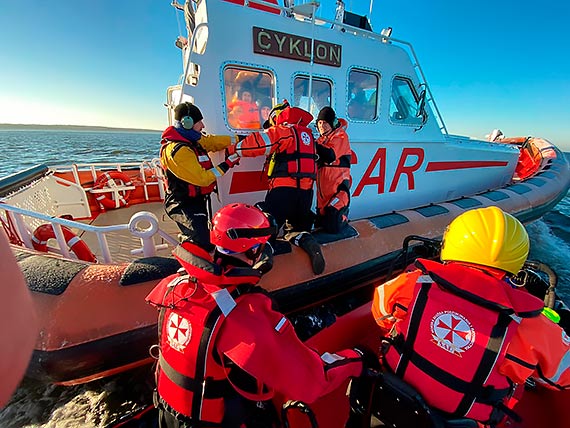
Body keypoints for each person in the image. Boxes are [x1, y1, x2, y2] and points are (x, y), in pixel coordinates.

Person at [146, 203, 367, 427]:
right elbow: (311, 380)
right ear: (253, 251)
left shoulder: (174, 284)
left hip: (168, 412)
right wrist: (356, 358)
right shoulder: (243, 314)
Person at [371, 206, 569, 425]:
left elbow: (381, 314)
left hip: (392, 405)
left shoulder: (412, 283)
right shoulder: (531, 326)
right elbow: (563, 379)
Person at [227, 100, 325, 275]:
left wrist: (234, 148)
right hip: (305, 195)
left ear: (276, 117)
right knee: (296, 229)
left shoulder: (284, 130)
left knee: (267, 221)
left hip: (283, 192)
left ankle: (265, 256)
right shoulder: (308, 135)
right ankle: (310, 244)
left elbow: (258, 143)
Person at [160, 102, 240, 251]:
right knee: (201, 242)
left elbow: (211, 142)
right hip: (182, 203)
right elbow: (202, 179)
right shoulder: (178, 151)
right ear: (187, 123)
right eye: (199, 122)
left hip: (196, 200)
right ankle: (187, 255)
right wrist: (227, 163)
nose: (202, 126)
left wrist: (238, 139)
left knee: (206, 236)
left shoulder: (193, 140)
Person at [315, 106, 352, 234]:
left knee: (332, 219)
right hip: (323, 194)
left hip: (336, 188)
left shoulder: (340, 135)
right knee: (322, 219)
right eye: (319, 123)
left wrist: (313, 144)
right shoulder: (321, 140)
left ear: (332, 123)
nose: (321, 126)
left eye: (325, 123)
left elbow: (331, 155)